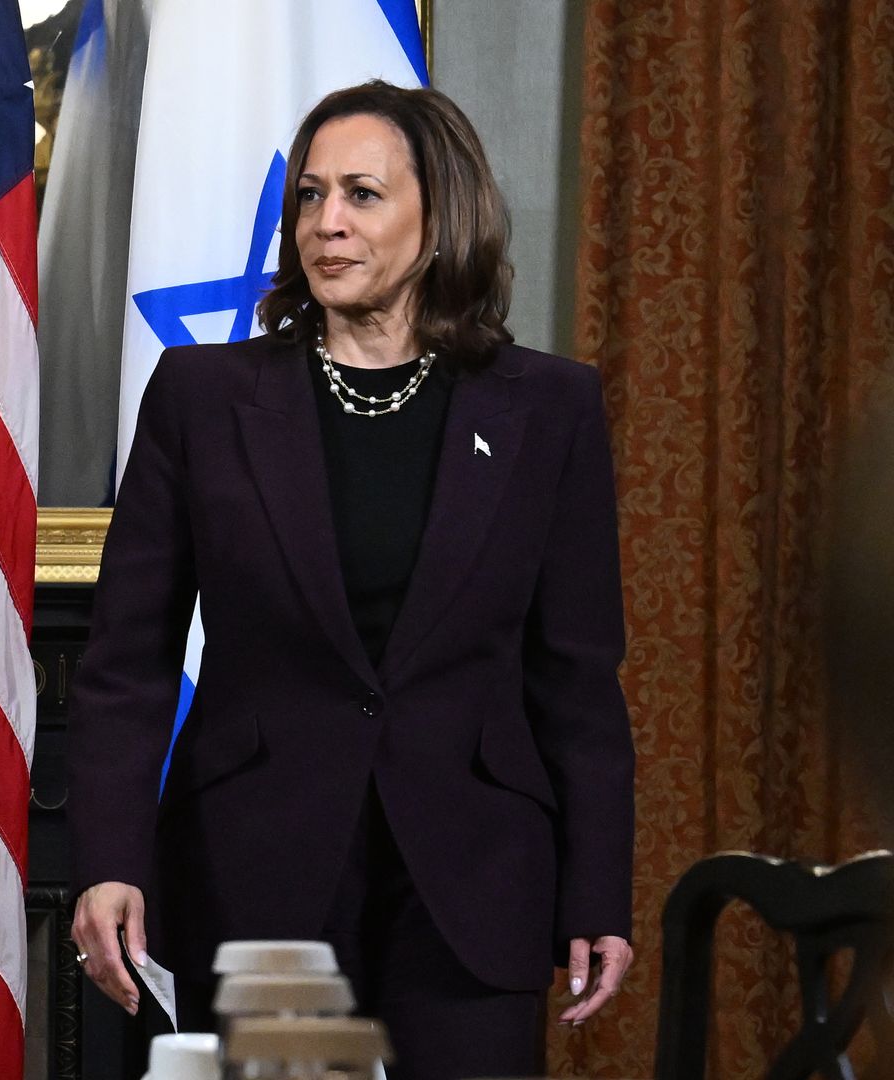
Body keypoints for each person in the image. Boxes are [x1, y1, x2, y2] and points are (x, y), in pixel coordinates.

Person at [67, 81, 635, 1079]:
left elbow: (577, 679)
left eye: (362, 194)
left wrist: (597, 895)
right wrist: (111, 859)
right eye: (310, 196)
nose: (326, 223)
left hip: (472, 881)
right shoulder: (204, 399)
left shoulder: (551, 407)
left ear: (442, 215)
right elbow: (127, 664)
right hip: (254, 875)